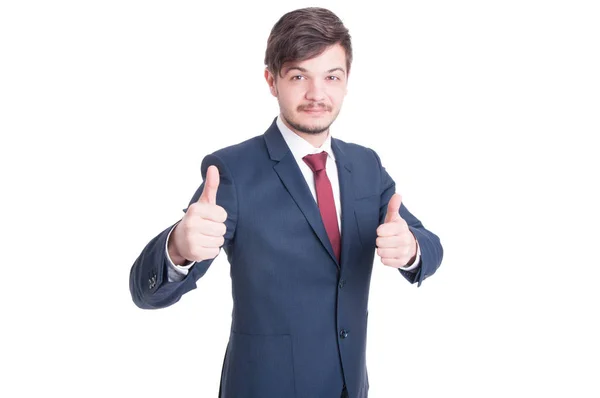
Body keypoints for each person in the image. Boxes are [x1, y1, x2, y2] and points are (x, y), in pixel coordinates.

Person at [129, 7, 443, 398]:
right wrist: (178, 248)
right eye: (299, 76)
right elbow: (146, 292)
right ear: (272, 80)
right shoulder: (232, 171)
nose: (317, 93)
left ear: (346, 82)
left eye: (331, 76)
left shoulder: (366, 166)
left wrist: (411, 248)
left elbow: (430, 248)